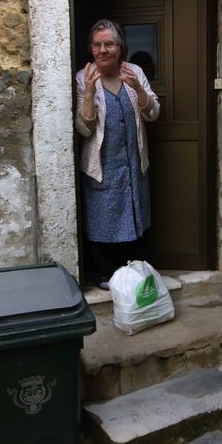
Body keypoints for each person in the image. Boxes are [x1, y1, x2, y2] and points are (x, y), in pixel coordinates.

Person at [75, 19, 160, 289]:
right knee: (103, 216)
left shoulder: (134, 71)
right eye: (97, 45)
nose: (103, 50)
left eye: (109, 44)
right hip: (102, 164)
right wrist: (88, 92)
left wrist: (137, 89)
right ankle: (105, 274)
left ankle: (134, 272)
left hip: (134, 162)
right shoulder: (83, 77)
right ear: (91, 48)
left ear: (120, 47)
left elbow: (154, 113)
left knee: (135, 213)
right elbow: (84, 129)